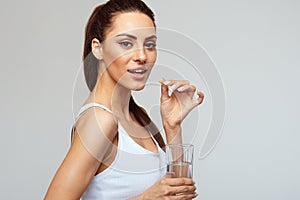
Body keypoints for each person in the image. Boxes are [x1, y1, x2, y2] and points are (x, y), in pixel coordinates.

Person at [44, 0, 204, 199]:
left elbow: (178, 194)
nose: (142, 56)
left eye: (150, 45)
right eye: (126, 43)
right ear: (98, 48)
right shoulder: (100, 121)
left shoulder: (139, 117)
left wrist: (173, 126)